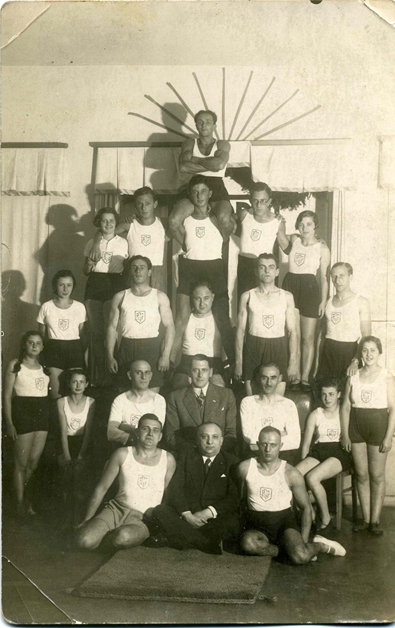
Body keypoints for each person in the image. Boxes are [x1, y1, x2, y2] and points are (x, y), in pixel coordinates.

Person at [237, 426, 346, 564]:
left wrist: (303, 542)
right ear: (258, 444)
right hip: (257, 524)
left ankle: (322, 546)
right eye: (264, 444)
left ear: (280, 446)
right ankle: (289, 551)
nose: (268, 449)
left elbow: (306, 508)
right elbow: (238, 499)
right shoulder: (245, 468)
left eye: (273, 445)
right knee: (247, 544)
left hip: (283, 523)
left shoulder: (291, 473)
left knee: (301, 557)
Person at [76, 414, 176, 551]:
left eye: (155, 430)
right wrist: (87, 519)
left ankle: (114, 536)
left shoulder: (168, 459)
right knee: (84, 541)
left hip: (143, 518)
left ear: (160, 436)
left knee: (122, 538)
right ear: (137, 432)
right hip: (115, 510)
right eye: (145, 429)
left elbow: (166, 494)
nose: (150, 434)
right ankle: (103, 534)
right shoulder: (122, 454)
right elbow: (101, 488)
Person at [169, 175, 236, 370]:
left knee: (223, 318)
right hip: (190, 266)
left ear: (211, 194)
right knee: (180, 319)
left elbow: (229, 232)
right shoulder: (186, 220)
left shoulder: (219, 219)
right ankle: (171, 365)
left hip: (214, 267)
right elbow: (181, 238)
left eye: (204, 192)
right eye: (196, 192)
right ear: (190, 195)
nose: (199, 196)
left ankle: (232, 366)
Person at [150, 423, 240, 554]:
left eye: (215, 437)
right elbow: (175, 488)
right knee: (160, 511)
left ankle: (179, 539)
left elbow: (233, 497)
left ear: (221, 441)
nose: (210, 441)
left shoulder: (232, 461)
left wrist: (208, 512)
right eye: (204, 437)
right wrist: (187, 515)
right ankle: (204, 543)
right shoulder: (186, 457)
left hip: (213, 518)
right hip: (188, 516)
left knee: (232, 521)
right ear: (197, 440)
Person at [341, 336, 395, 536]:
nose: (369, 354)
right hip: (356, 426)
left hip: (378, 426)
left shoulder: (387, 376)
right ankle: (365, 519)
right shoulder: (353, 376)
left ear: (379, 352)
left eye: (373, 350)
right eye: (365, 350)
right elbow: (345, 406)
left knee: (377, 475)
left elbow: (393, 408)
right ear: (360, 354)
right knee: (361, 475)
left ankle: (375, 520)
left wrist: (389, 436)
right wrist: (345, 434)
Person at [106, 255, 175, 392]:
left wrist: (166, 356)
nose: (138, 271)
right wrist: (110, 356)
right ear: (130, 271)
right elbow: (112, 328)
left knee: (152, 394)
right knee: (125, 393)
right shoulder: (120, 296)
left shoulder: (159, 296)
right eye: (134, 268)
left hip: (152, 348)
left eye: (142, 268)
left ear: (149, 272)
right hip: (127, 348)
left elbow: (170, 327)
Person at [235, 253, 298, 396]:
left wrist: (293, 362)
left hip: (279, 348)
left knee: (277, 401)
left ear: (277, 271)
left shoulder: (287, 296)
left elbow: (293, 332)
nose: (267, 271)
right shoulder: (247, 296)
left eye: (271, 267)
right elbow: (240, 331)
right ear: (256, 271)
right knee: (252, 401)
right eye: (262, 267)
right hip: (253, 348)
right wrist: (239, 363)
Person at [282, 210, 331, 391]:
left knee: (308, 338)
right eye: (301, 224)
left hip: (310, 289)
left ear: (315, 226)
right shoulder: (294, 240)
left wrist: (323, 300)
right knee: (293, 334)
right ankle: (293, 376)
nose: (305, 228)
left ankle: (305, 378)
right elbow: (278, 233)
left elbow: (325, 277)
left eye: (309, 224)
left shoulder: (323, 248)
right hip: (291, 285)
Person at [3, 331, 50, 517]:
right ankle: (19, 504)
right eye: (30, 342)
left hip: (42, 414)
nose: (34, 346)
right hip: (22, 412)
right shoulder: (15, 365)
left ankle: (26, 499)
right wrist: (9, 423)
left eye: (38, 343)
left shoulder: (45, 367)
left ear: (42, 347)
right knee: (21, 463)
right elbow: (6, 396)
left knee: (33, 463)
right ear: (24, 345)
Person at [169, 109, 234, 240]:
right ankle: (187, 246)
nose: (204, 125)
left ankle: (222, 244)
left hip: (217, 185)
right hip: (194, 185)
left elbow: (220, 165)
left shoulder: (222, 144)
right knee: (174, 221)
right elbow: (183, 167)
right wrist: (211, 166)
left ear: (214, 126)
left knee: (224, 220)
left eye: (208, 122)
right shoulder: (190, 143)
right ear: (196, 125)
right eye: (200, 122)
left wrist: (196, 160)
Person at [87, 187, 167, 292]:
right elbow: (104, 231)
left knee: (155, 304)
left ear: (155, 204)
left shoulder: (163, 223)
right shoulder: (129, 224)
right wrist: (96, 245)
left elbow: (178, 227)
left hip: (156, 270)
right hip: (134, 270)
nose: (144, 208)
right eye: (140, 204)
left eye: (148, 203)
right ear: (135, 206)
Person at [296, 378, 350, 530]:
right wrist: (303, 463)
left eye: (331, 394)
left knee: (312, 478)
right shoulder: (315, 414)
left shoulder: (344, 412)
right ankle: (310, 512)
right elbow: (306, 444)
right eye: (324, 394)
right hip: (319, 451)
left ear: (339, 394)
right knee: (295, 475)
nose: (327, 398)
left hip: (338, 453)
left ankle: (325, 516)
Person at [83, 207, 129, 386]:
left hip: (114, 284)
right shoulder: (90, 243)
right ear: (98, 223)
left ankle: (114, 375)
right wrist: (90, 263)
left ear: (116, 223)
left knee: (113, 332)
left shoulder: (124, 243)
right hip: (95, 283)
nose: (108, 224)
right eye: (104, 221)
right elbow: (85, 271)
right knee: (96, 333)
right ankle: (102, 376)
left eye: (111, 221)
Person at [164, 354, 237, 455]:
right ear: (189, 372)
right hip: (188, 455)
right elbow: (170, 436)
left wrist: (213, 453)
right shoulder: (175, 397)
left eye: (204, 370)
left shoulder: (226, 395)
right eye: (195, 370)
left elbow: (231, 433)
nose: (200, 375)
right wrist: (196, 451)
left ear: (210, 372)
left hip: (219, 455)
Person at [315, 262, 371, 381]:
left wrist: (356, 361)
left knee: (347, 396)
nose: (337, 280)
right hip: (328, 353)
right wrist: (316, 366)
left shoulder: (361, 302)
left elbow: (366, 337)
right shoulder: (328, 302)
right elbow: (322, 336)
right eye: (334, 276)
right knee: (325, 395)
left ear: (350, 277)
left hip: (350, 353)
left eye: (341, 276)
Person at [37, 269, 87, 398]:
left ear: (73, 286)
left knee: (74, 394)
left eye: (69, 285)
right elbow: (41, 335)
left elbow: (83, 335)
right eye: (61, 285)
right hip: (54, 350)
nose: (65, 289)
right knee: (56, 394)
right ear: (55, 286)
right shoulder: (46, 307)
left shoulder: (80, 307)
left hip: (75, 350)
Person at [170, 280, 227, 390]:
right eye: (198, 298)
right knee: (180, 384)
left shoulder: (221, 320)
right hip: (188, 361)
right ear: (192, 298)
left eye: (206, 298)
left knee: (218, 386)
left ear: (213, 297)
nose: (202, 303)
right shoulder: (185, 318)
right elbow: (175, 341)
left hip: (213, 362)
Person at [57, 368, 96, 527]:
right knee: (66, 472)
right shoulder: (61, 402)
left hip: (83, 445)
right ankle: (65, 519)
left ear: (86, 384)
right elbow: (63, 431)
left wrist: (80, 456)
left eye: (81, 381)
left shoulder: (91, 401)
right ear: (68, 383)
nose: (78, 385)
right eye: (74, 381)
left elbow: (88, 432)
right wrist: (66, 456)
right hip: (65, 444)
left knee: (79, 474)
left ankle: (77, 519)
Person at [240, 363, 301, 464]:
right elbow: (249, 437)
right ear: (258, 378)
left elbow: (295, 441)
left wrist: (258, 445)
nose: (269, 383)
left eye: (273, 378)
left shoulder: (288, 404)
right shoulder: (248, 402)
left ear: (280, 379)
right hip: (256, 457)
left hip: (282, 456)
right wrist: (281, 433)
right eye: (264, 378)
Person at [236, 182, 289, 298]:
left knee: (265, 301)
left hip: (265, 266)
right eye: (255, 201)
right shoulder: (244, 214)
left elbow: (287, 248)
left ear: (269, 201)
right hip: (245, 264)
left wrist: (310, 239)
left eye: (263, 201)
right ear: (251, 201)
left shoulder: (277, 222)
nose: (259, 205)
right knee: (245, 303)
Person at [107, 360, 166, 446]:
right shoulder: (120, 399)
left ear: (151, 375)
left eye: (147, 373)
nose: (143, 377)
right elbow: (111, 432)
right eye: (138, 373)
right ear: (130, 375)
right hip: (124, 447)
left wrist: (123, 426)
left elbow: (155, 432)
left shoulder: (158, 400)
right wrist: (134, 436)